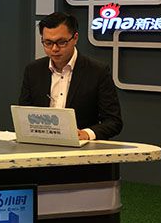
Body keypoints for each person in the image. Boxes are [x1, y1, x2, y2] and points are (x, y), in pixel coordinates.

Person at [19, 12, 122, 140]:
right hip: (40, 144)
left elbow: (113, 121)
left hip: (81, 148)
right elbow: (23, 114)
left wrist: (86, 134)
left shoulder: (98, 71)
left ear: (75, 38)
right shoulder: (33, 70)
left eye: (61, 42)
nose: (54, 49)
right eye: (48, 43)